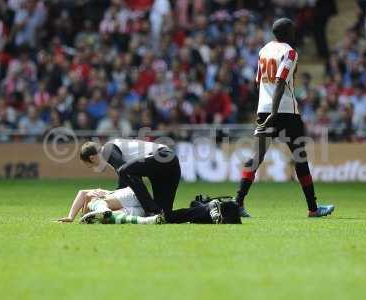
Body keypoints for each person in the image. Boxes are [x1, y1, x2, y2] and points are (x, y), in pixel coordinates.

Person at [234, 18, 335, 218]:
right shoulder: (289, 52)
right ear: (288, 33)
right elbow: (280, 81)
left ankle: (238, 203)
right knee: (299, 157)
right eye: (293, 30)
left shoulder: (263, 50)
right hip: (286, 111)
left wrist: (266, 108)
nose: (295, 33)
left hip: (264, 109)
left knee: (256, 157)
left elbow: (258, 82)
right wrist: (275, 110)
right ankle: (313, 209)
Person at [79, 140, 229, 224]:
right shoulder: (115, 156)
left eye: (90, 165)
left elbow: (126, 175)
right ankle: (207, 209)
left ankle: (150, 209)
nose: (93, 169)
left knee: (125, 171)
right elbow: (126, 183)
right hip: (168, 166)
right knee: (166, 216)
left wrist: (109, 197)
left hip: (163, 157)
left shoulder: (108, 149)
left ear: (92, 158)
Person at [57, 187, 165, 225]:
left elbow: (82, 193)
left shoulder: (94, 198)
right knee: (111, 218)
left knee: (96, 202)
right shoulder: (96, 217)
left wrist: (71, 217)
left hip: (131, 195)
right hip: (142, 207)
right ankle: (149, 220)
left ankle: (103, 209)